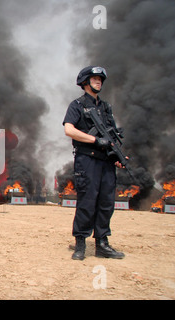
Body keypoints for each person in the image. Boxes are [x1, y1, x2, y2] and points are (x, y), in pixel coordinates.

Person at [63, 66, 126, 260]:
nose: (98, 82)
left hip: (106, 161)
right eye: (95, 79)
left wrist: (117, 156)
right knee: (87, 202)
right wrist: (95, 140)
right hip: (87, 159)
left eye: (100, 79)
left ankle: (102, 244)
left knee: (106, 203)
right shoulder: (77, 105)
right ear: (85, 82)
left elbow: (113, 135)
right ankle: (80, 244)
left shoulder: (106, 108)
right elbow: (69, 130)